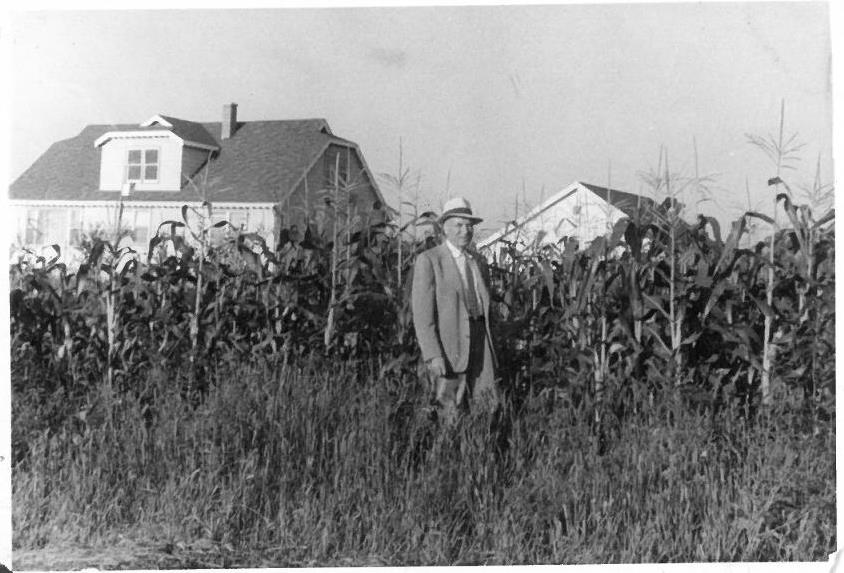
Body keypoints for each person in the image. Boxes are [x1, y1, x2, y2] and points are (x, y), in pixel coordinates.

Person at [411, 197, 499, 423]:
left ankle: (478, 451)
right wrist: (433, 355)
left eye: (469, 226)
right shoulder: (430, 260)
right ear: (444, 228)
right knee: (449, 412)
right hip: (450, 346)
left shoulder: (477, 262)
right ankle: (447, 455)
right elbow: (422, 317)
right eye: (459, 225)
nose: (465, 231)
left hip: (480, 340)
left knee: (485, 405)